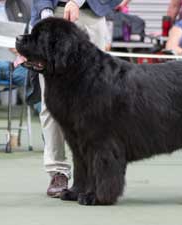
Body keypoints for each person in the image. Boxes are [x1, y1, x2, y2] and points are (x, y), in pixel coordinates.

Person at [30, 0, 123, 198]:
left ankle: (92, 172)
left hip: (90, 13)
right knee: (51, 102)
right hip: (52, 12)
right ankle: (58, 171)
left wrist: (76, 1)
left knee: (94, 100)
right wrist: (46, 14)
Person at [0, 0, 31, 149]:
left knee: (40, 77)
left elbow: (36, 39)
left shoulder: (26, 6)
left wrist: (24, 49)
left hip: (18, 62)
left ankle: (52, 129)